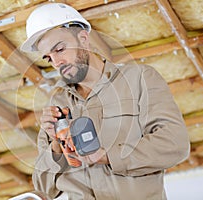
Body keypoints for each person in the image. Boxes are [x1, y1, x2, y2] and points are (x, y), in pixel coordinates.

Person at [21, 3, 190, 200]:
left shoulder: (139, 79)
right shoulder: (57, 104)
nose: (56, 62)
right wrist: (56, 147)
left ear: (83, 39)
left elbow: (175, 143)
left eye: (60, 49)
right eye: (48, 58)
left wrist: (108, 156)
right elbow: (44, 188)